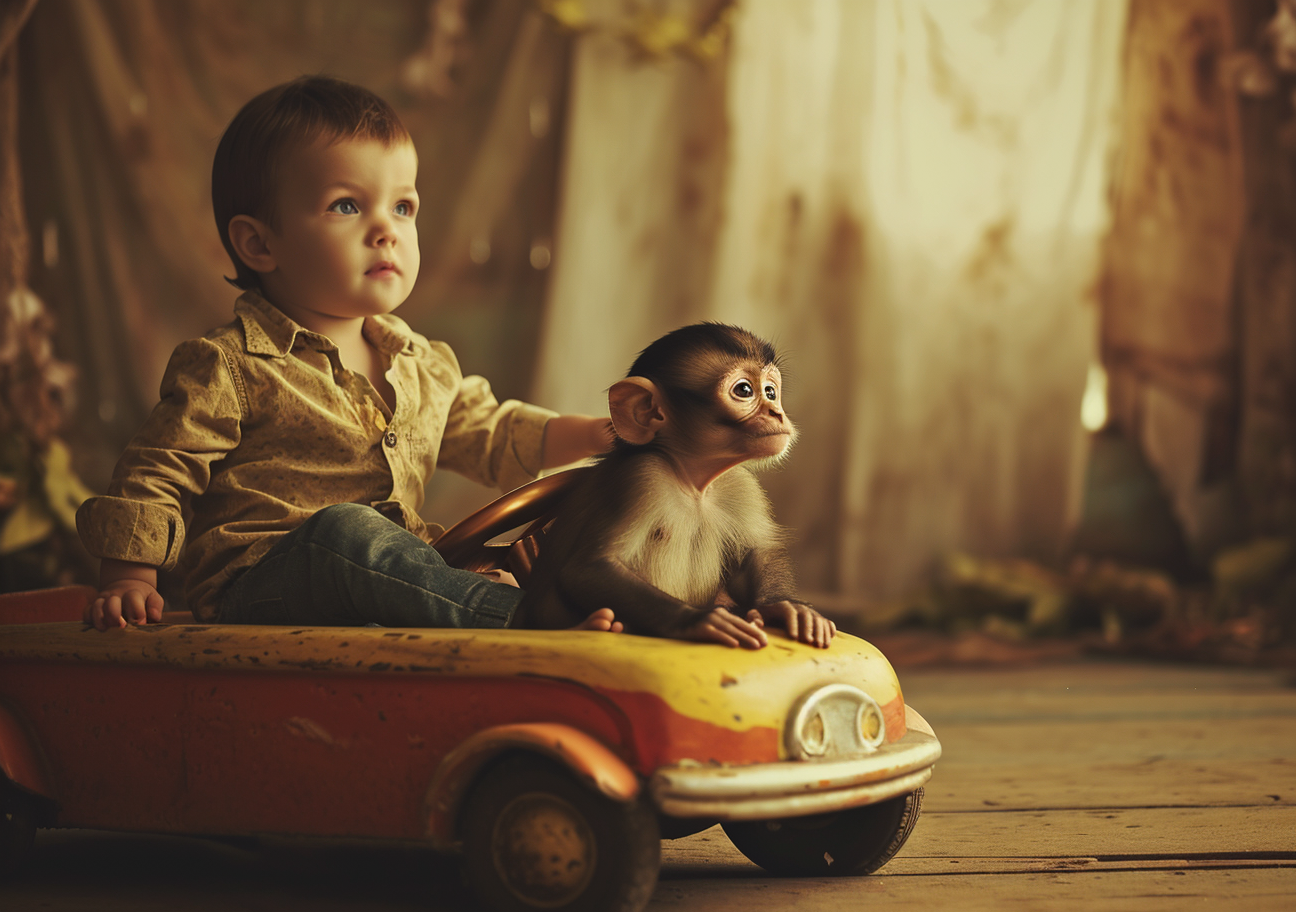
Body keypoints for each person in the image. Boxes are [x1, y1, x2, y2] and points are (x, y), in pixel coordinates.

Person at [76, 76, 617, 633]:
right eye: (346, 205)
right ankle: (522, 619)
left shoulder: (419, 364)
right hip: (265, 584)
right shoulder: (230, 365)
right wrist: (129, 578)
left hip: (384, 571)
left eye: (403, 207)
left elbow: (494, 431)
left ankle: (554, 606)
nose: (386, 230)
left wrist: (601, 434)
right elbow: (159, 468)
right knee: (345, 534)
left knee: (502, 552)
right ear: (261, 244)